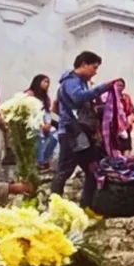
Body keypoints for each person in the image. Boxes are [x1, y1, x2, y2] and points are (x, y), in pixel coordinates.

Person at [50, 52, 115, 208]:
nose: (95, 72)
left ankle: (85, 207)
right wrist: (103, 88)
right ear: (84, 64)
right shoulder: (71, 82)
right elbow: (78, 98)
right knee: (65, 170)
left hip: (82, 133)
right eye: (94, 67)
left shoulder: (80, 82)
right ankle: (54, 206)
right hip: (72, 133)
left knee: (93, 171)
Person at [27, 74, 59, 171]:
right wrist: (40, 124)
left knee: (55, 135)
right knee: (38, 133)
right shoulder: (29, 94)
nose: (47, 84)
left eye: (48, 82)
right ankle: (39, 161)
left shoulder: (46, 98)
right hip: (32, 122)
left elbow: (47, 112)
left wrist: (48, 123)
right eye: (45, 81)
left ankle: (45, 158)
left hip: (44, 122)